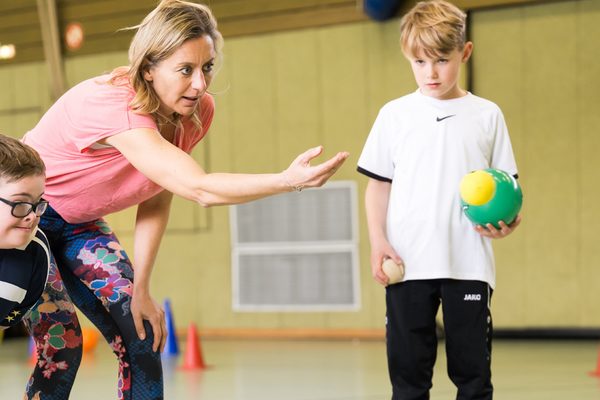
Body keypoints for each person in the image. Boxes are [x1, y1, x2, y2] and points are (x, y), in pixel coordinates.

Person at [22, 0, 348, 398]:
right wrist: (286, 180)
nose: (200, 84)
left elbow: (161, 192)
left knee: (142, 332)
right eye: (185, 70)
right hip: (22, 219)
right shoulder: (114, 104)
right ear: (148, 68)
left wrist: (141, 286)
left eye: (207, 67)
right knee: (63, 342)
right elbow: (199, 188)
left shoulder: (194, 112)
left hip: (79, 225)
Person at [357, 1, 521, 399]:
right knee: (408, 378)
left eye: (442, 60)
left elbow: (507, 187)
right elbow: (378, 185)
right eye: (419, 61)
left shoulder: (487, 115)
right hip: (407, 264)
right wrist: (379, 241)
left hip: (469, 264)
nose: (430, 72)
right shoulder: (395, 115)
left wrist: (507, 222)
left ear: (464, 53)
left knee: (474, 378)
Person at [0, 134, 82, 399]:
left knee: (63, 344)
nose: (33, 215)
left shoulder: (34, 257)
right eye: (21, 203)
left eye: (38, 203)